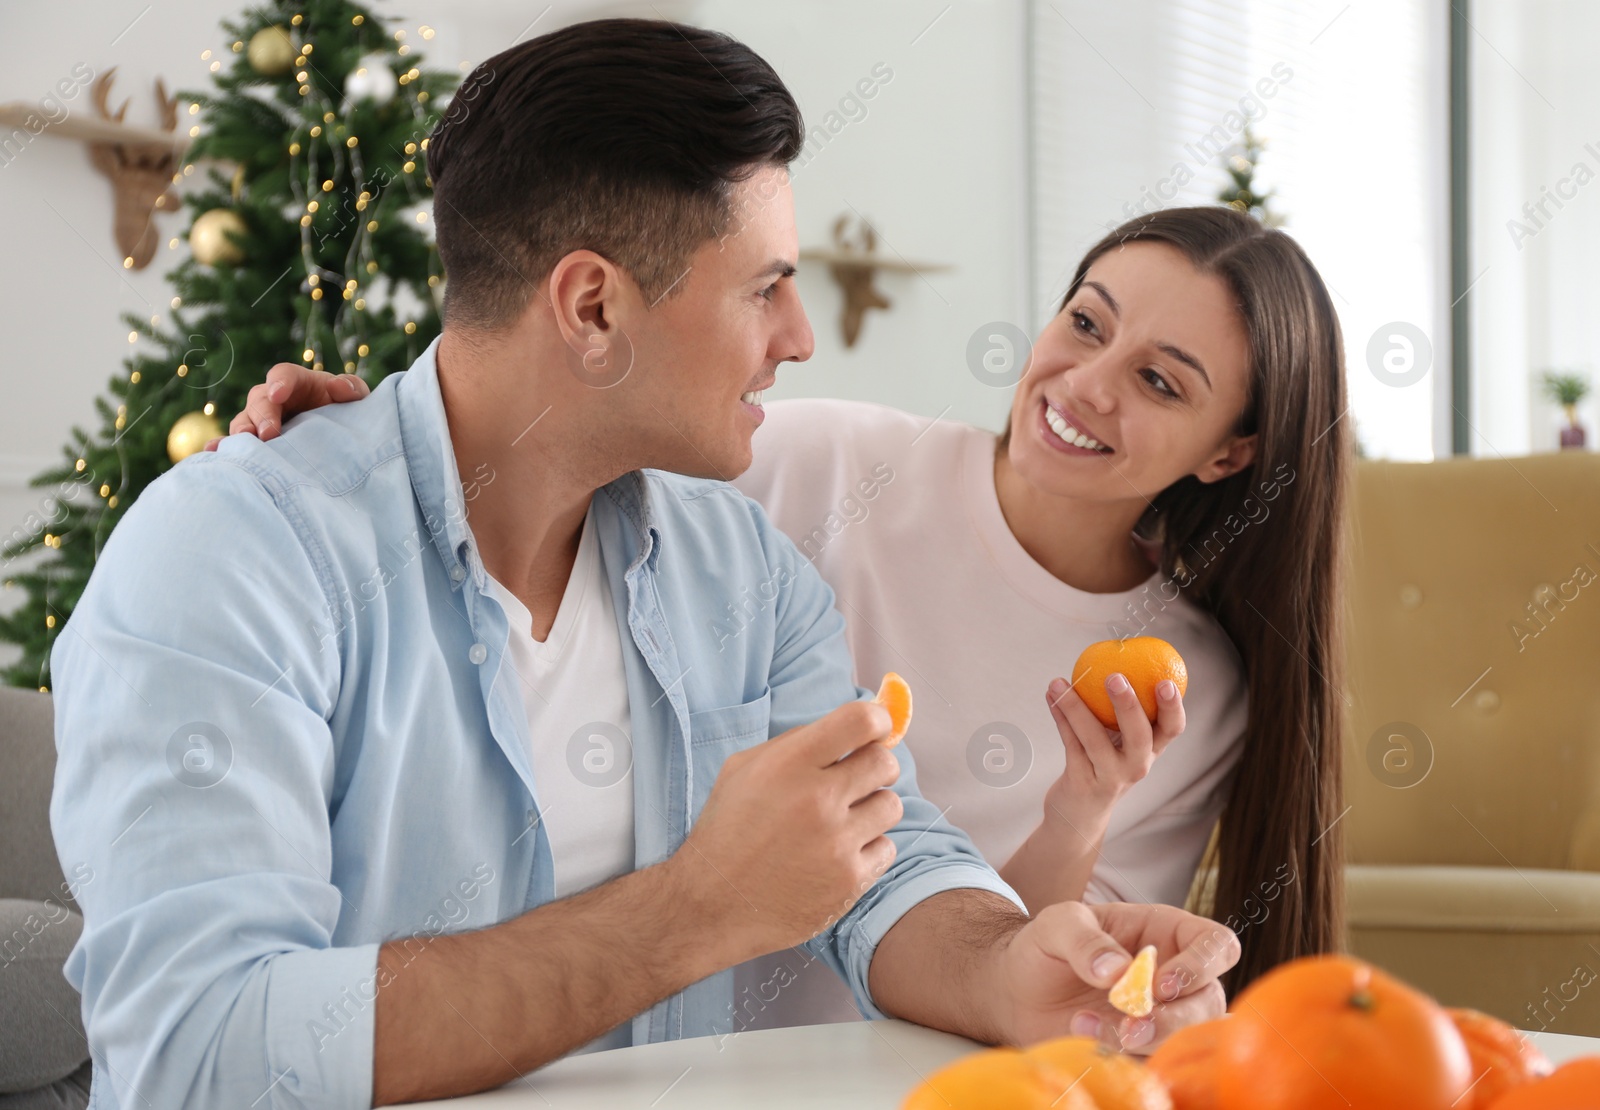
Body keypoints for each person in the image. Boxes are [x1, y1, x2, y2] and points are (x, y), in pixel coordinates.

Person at [49, 18, 1238, 1110]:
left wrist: (1020, 967)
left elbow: (885, 861)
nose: (799, 336)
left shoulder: (735, 563)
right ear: (593, 309)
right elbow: (198, 1048)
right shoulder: (238, 554)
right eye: (765, 286)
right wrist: (692, 911)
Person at [232, 200, 1351, 1036]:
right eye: (1084, 322)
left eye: (1160, 382)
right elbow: (567, 482)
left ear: (1230, 450)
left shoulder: (1183, 688)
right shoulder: (828, 461)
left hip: (898, 1076)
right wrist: (395, 439)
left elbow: (1053, 983)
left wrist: (1078, 811)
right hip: (656, 1031)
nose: (1086, 384)